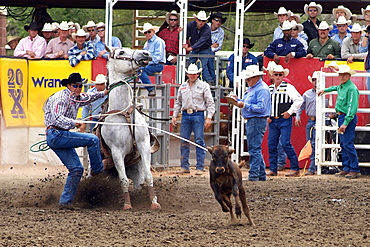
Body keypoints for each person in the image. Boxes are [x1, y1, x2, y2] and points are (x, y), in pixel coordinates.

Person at [43, 72, 109, 209]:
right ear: (68, 85)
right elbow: (57, 118)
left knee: (77, 169)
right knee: (93, 139)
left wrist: (105, 93)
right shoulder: (61, 98)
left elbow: (89, 96)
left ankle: (65, 202)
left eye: (80, 86)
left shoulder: (76, 97)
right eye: (75, 86)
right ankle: (97, 170)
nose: (78, 88)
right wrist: (76, 123)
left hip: (57, 135)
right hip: (57, 134)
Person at [318, 65, 360, 179]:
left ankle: (353, 168)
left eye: (344, 75)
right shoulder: (344, 86)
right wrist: (325, 90)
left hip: (346, 117)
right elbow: (335, 88)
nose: (342, 77)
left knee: (347, 143)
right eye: (341, 74)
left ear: (349, 76)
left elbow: (352, 108)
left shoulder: (351, 88)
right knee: (344, 143)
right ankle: (348, 168)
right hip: (343, 117)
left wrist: (345, 123)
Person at [172, 64, 215, 175]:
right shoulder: (183, 87)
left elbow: (210, 102)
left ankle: (199, 167)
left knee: (199, 140)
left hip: (198, 114)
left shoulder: (204, 86)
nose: (192, 76)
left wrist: (209, 117)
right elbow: (178, 102)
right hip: (186, 114)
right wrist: (174, 115)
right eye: (190, 74)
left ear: (197, 74)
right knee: (184, 140)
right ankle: (185, 166)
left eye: (194, 74)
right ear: (187, 74)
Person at [230, 65, 271, 181]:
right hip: (254, 120)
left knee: (254, 149)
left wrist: (244, 105)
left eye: (248, 79)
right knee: (255, 148)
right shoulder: (256, 88)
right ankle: (260, 175)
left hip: (256, 120)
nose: (247, 81)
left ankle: (254, 175)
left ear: (255, 77)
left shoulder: (261, 89)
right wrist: (238, 100)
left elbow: (261, 108)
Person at [267, 65, 303, 177]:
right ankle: (273, 169)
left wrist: (290, 112)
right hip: (273, 120)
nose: (278, 76)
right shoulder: (269, 88)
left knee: (285, 143)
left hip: (283, 119)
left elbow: (299, 100)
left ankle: (294, 167)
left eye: (280, 74)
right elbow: (266, 103)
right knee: (272, 144)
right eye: (276, 74)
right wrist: (267, 115)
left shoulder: (288, 87)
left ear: (283, 76)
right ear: (272, 76)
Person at [295, 72, 318, 175]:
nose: (315, 82)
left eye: (316, 79)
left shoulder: (324, 93)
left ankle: (312, 168)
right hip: (311, 120)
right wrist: (298, 116)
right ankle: (313, 167)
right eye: (313, 79)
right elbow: (300, 106)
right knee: (310, 143)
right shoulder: (307, 94)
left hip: (319, 120)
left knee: (313, 144)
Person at [183, 10, 213, 84]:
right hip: (196, 48)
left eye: (203, 21)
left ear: (205, 21)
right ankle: (205, 81)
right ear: (196, 19)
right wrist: (186, 43)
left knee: (203, 66)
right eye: (199, 20)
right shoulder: (190, 25)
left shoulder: (207, 29)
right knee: (191, 64)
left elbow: (202, 41)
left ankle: (208, 82)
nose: (201, 22)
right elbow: (185, 35)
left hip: (204, 49)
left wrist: (190, 48)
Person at [138, 22, 166, 97]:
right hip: (151, 64)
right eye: (145, 32)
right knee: (137, 69)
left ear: (153, 31)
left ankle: (150, 88)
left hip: (158, 64)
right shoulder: (146, 44)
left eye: (149, 32)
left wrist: (147, 62)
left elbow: (158, 57)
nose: (147, 34)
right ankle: (145, 85)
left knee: (140, 70)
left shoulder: (158, 41)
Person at [206, 12, 226, 85]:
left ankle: (211, 80)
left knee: (209, 64)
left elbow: (219, 46)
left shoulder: (221, 32)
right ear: (212, 20)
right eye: (216, 20)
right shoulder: (205, 27)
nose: (218, 22)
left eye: (220, 21)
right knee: (207, 64)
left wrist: (208, 47)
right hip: (202, 51)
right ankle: (212, 80)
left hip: (210, 53)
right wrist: (210, 46)